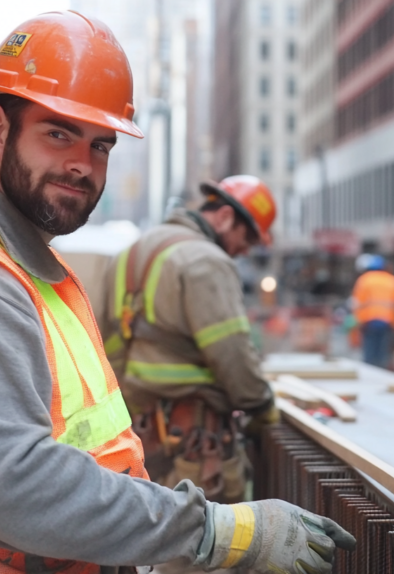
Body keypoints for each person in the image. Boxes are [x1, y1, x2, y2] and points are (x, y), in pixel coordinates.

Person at [0, 11, 354, 574]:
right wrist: (218, 529)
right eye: (58, 133)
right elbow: (10, 486)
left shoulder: (32, 267)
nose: (81, 164)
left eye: (101, 146)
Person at [99, 176, 279, 504]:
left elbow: (106, 343)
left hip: (135, 439)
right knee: (202, 547)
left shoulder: (127, 255)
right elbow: (232, 354)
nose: (245, 249)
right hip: (195, 445)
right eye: (247, 237)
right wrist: (263, 407)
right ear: (225, 217)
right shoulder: (207, 261)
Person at [350, 254, 394, 369]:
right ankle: (381, 373)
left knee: (369, 354)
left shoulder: (364, 280)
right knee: (383, 354)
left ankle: (369, 375)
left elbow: (356, 304)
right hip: (387, 322)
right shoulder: (393, 281)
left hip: (368, 321)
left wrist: (357, 322)